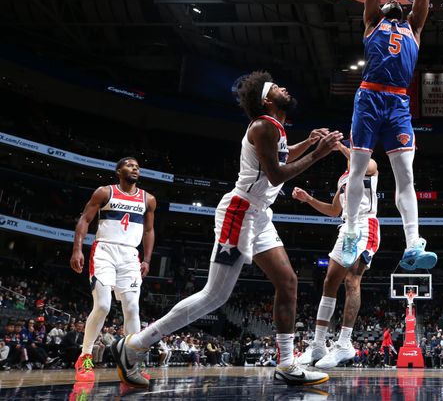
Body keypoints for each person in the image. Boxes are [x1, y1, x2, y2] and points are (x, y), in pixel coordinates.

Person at [111, 71, 342, 388]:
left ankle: (287, 363)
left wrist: (309, 143)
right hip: (240, 212)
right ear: (265, 100)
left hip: (259, 215)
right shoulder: (262, 126)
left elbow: (282, 156)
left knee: (288, 281)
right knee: (214, 296)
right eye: (276, 86)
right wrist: (319, 153)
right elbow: (276, 175)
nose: (283, 87)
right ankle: (135, 345)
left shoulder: (274, 128)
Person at [342, 0, 436, 272]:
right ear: (381, 8)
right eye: (388, 1)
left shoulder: (414, 26)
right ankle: (351, 230)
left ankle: (413, 244)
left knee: (406, 175)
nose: (393, 0)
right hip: (369, 96)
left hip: (397, 103)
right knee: (356, 169)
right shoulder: (371, 21)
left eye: (398, 1)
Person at [294, 143, 381, 369]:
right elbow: (334, 211)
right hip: (346, 228)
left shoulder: (369, 165)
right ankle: (318, 344)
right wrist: (309, 199)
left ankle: (344, 343)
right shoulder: (342, 179)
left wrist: (341, 146)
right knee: (329, 282)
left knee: (352, 280)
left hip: (366, 225)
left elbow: (363, 162)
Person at [70, 157, 156, 382]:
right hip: (104, 251)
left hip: (130, 255)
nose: (135, 168)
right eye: (129, 165)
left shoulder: (148, 199)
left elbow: (148, 231)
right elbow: (84, 220)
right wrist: (77, 250)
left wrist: (146, 259)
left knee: (132, 308)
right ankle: (85, 356)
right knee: (102, 305)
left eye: (137, 166)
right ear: (119, 171)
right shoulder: (104, 192)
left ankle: (132, 364)